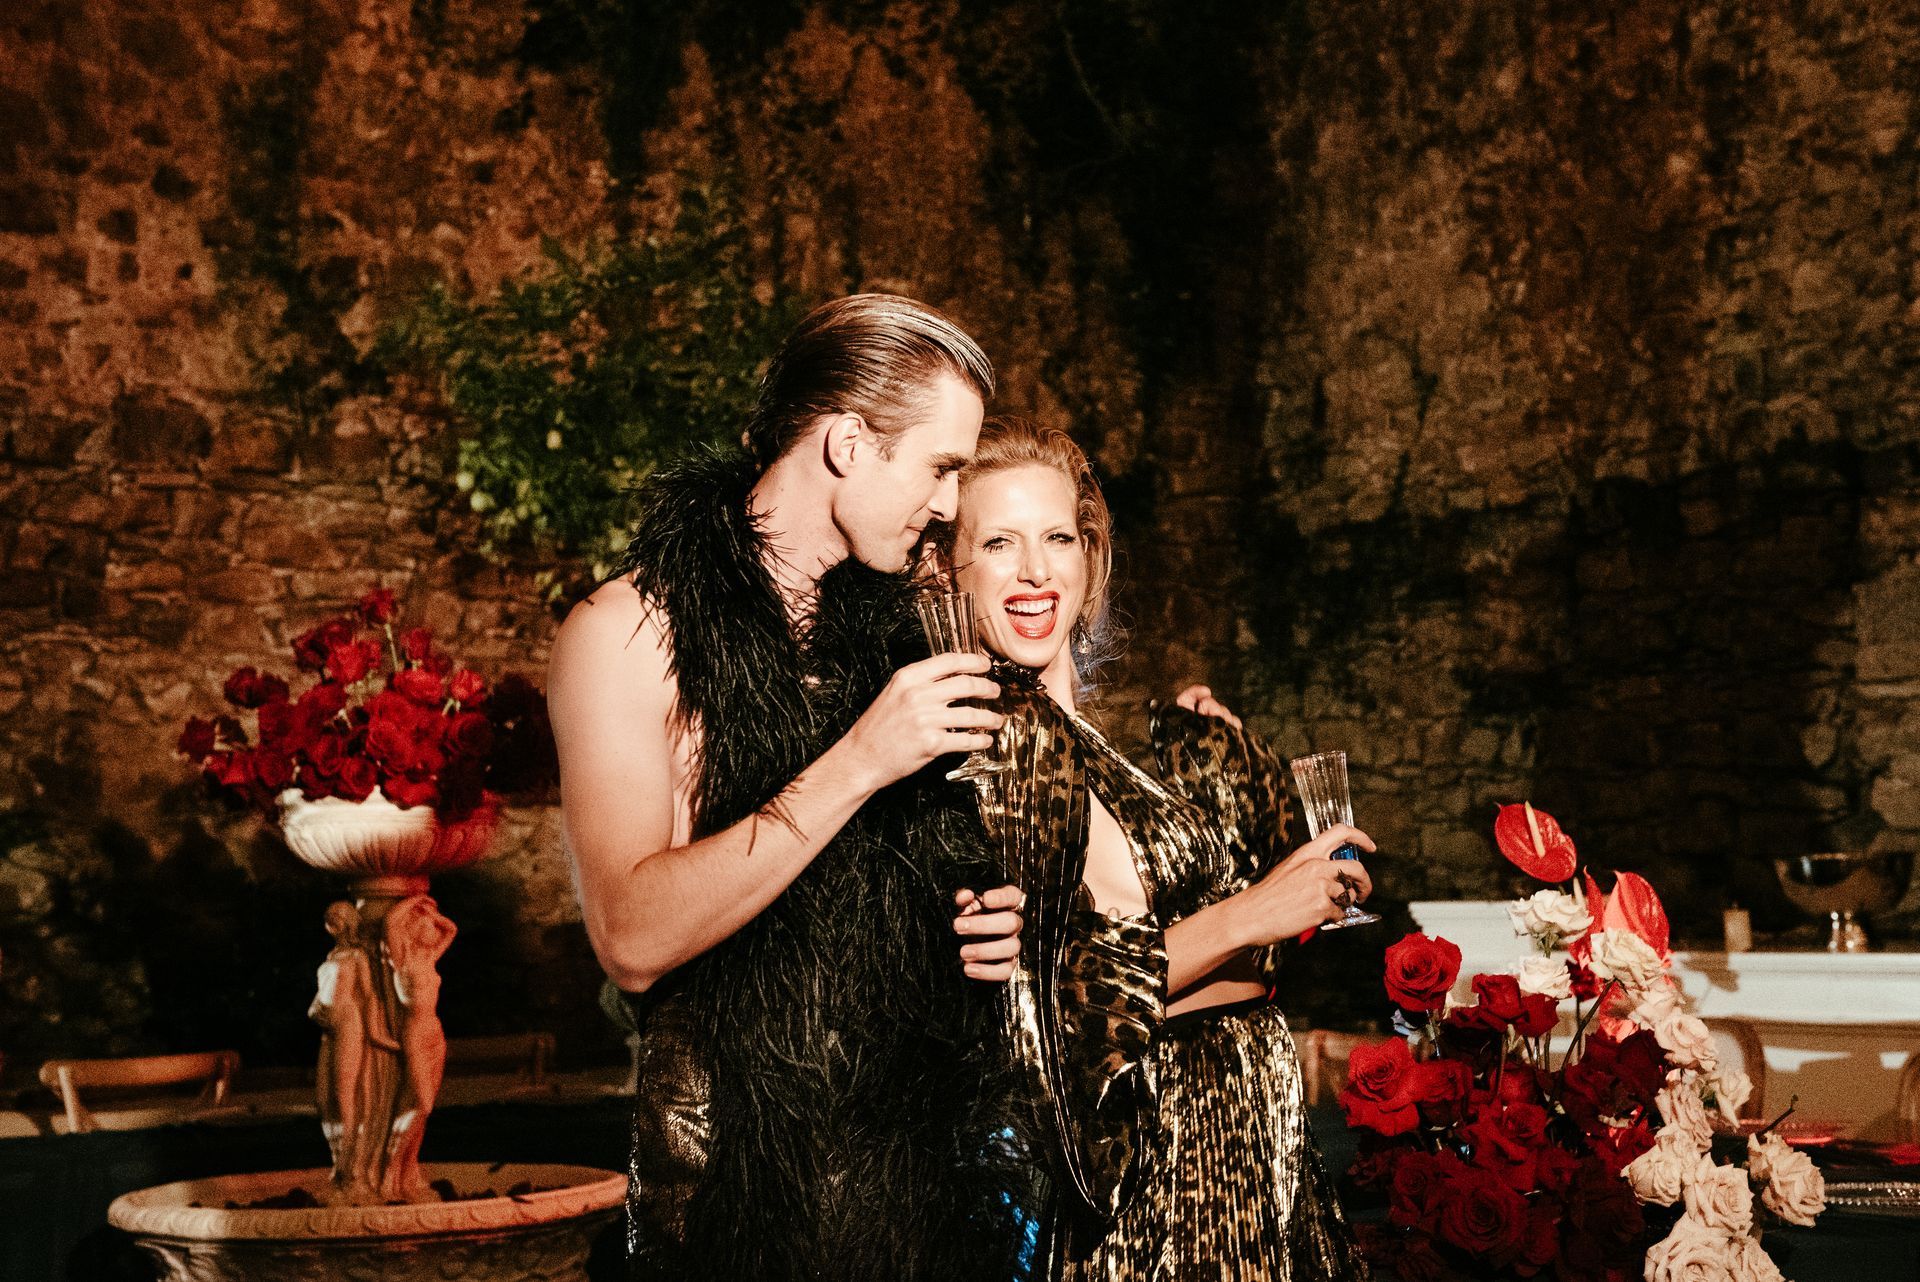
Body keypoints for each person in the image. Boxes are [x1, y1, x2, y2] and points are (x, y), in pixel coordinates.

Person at [548, 294, 1035, 1281]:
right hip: (731, 1215)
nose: (950, 504)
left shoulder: (907, 636)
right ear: (849, 443)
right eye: (942, 466)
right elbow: (633, 938)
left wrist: (993, 930)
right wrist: (861, 758)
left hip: (924, 1211)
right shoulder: (627, 633)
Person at [941, 415, 1374, 1280]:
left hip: (1245, 1144)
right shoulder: (996, 745)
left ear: (1091, 557)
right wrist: (1257, 910)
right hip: (1169, 1176)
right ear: (950, 570)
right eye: (998, 543)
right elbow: (1060, 1001)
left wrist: (1284, 873)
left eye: (1057, 537)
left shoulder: (1078, 740)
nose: (1035, 570)